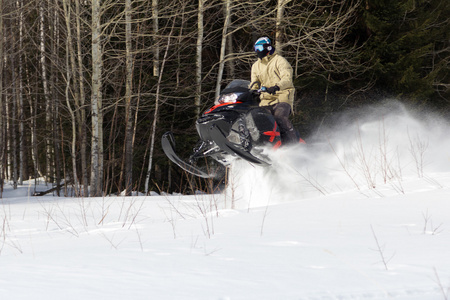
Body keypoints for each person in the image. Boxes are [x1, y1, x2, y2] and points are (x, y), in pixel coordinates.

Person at [250, 36, 298, 144]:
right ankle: (263, 144)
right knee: (258, 119)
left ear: (267, 48)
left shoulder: (280, 61)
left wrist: (277, 86)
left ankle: (293, 144)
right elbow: (254, 82)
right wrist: (252, 91)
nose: (257, 51)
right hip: (265, 99)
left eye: (259, 48)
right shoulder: (255, 66)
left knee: (279, 116)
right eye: (255, 48)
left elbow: (287, 78)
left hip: (282, 96)